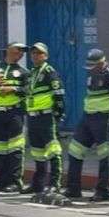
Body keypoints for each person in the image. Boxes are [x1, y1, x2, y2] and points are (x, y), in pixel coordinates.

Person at [64, 49, 109, 202]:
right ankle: (73, 188)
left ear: (102, 62)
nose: (91, 68)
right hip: (88, 117)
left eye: (94, 65)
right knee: (75, 150)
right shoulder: (92, 74)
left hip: (103, 118)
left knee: (104, 154)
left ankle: (103, 191)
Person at [0, 42, 29, 192]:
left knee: (15, 148)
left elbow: (28, 90)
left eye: (23, 51)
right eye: (19, 49)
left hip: (14, 113)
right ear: (9, 49)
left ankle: (15, 182)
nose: (21, 53)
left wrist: (13, 89)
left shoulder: (24, 72)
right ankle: (2, 181)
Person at [22, 42, 64, 196]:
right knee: (38, 152)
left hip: (46, 116)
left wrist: (58, 113)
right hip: (32, 117)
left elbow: (58, 93)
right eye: (33, 53)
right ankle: (38, 184)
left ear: (45, 56)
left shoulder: (49, 71)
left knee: (53, 150)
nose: (35, 55)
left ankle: (55, 184)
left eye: (39, 53)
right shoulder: (32, 72)